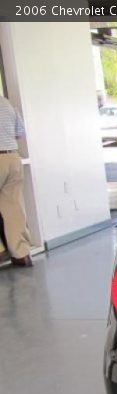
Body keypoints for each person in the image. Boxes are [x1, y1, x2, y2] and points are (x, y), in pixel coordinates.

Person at [0, 95, 32, 267]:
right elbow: (20, 132)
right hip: (13, 157)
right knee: (12, 208)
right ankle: (21, 254)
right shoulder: (6, 103)